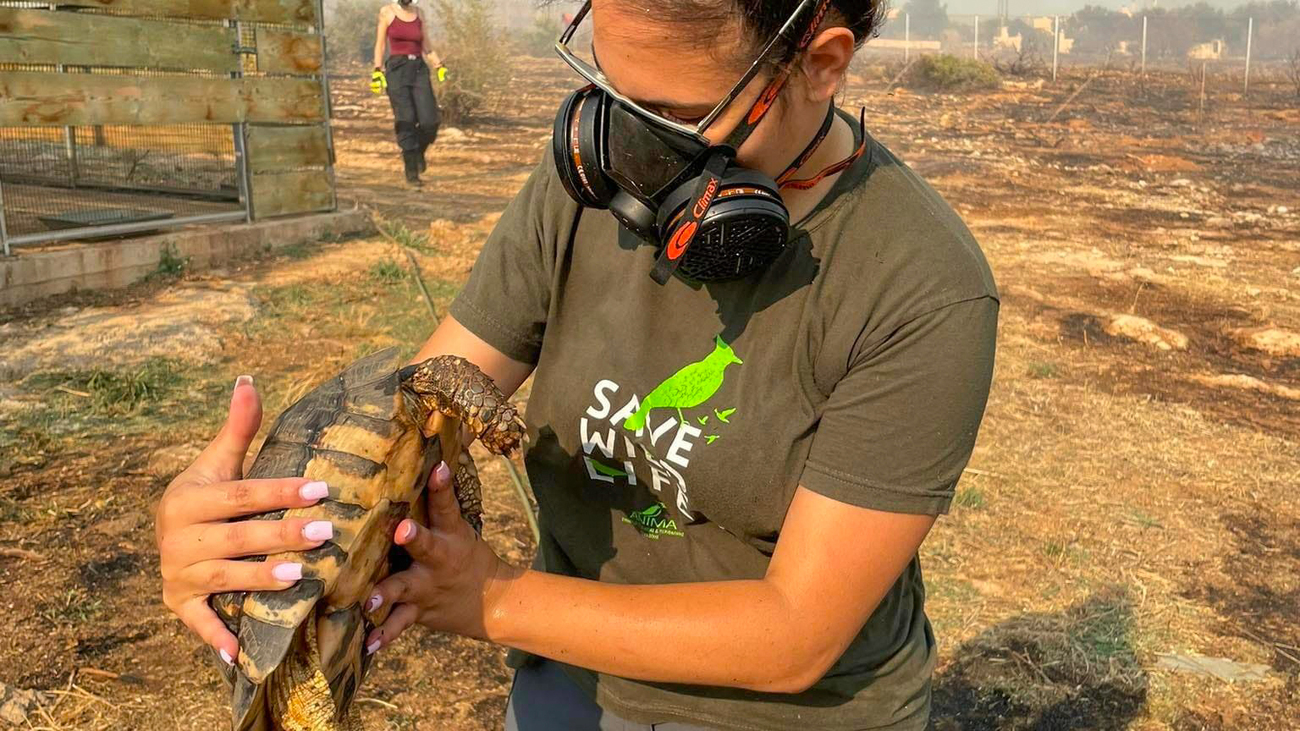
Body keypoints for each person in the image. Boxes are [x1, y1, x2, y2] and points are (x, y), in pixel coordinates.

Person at [156, 0, 999, 729]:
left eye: (669, 116)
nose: (624, 151)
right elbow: (421, 413)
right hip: (568, 677)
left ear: (821, 65)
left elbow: (795, 633)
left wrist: (494, 599)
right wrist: (250, 538)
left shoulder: (921, 284)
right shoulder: (584, 189)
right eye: (608, 93)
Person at [372, 0, 443, 187]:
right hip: (397, 69)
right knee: (406, 119)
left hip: (419, 68)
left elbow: (427, 46)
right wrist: (377, 70)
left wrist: (439, 65)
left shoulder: (419, 13)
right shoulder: (387, 12)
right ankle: (412, 172)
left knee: (430, 120)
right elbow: (380, 45)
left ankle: (418, 151)